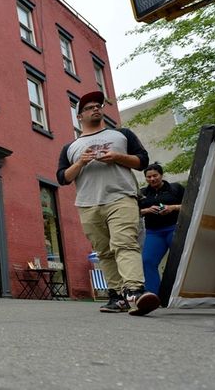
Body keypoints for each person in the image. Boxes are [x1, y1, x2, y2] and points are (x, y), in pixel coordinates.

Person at [57, 90, 159, 316]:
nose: (96, 108)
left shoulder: (122, 135)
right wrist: (81, 162)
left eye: (98, 105)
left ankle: (135, 292)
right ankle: (116, 296)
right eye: (89, 107)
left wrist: (117, 157)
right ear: (80, 116)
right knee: (104, 251)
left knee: (125, 243)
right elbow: (62, 178)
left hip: (121, 197)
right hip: (87, 204)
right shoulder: (70, 148)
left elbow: (142, 161)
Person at [138, 163, 184, 295]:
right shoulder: (142, 193)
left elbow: (190, 205)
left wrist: (172, 208)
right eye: (149, 177)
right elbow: (133, 212)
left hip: (174, 229)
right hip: (154, 232)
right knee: (147, 261)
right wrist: (147, 210)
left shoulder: (175, 188)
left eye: (155, 176)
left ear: (161, 175)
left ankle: (181, 294)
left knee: (180, 260)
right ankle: (153, 295)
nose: (152, 179)